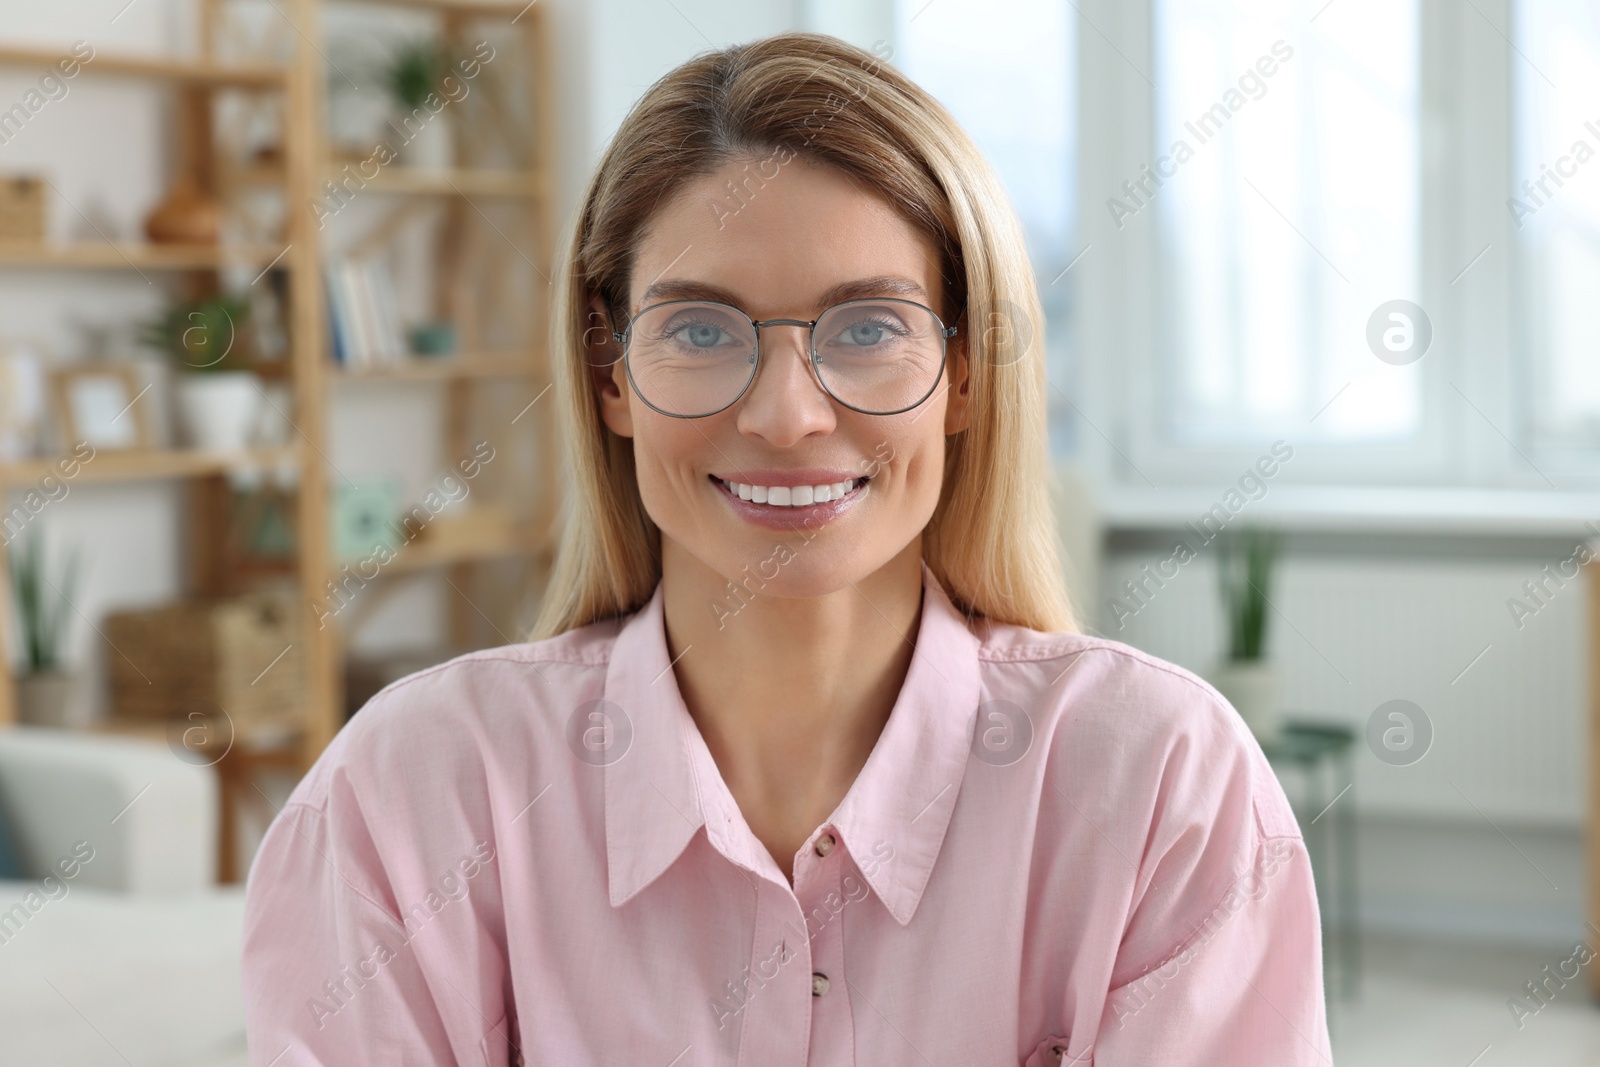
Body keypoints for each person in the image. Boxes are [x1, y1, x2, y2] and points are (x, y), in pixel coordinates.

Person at [242, 31, 1333, 1066]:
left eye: (866, 328)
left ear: (963, 374)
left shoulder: (1161, 784)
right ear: (611, 373)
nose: (786, 413)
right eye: (701, 329)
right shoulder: (409, 796)